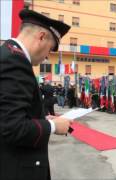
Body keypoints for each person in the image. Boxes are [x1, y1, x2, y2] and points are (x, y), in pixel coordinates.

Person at [0, 9, 71, 180]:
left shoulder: (7, 53)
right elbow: (12, 127)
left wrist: (42, 119)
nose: (47, 57)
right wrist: (54, 127)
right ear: (41, 37)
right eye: (50, 49)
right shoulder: (15, 61)